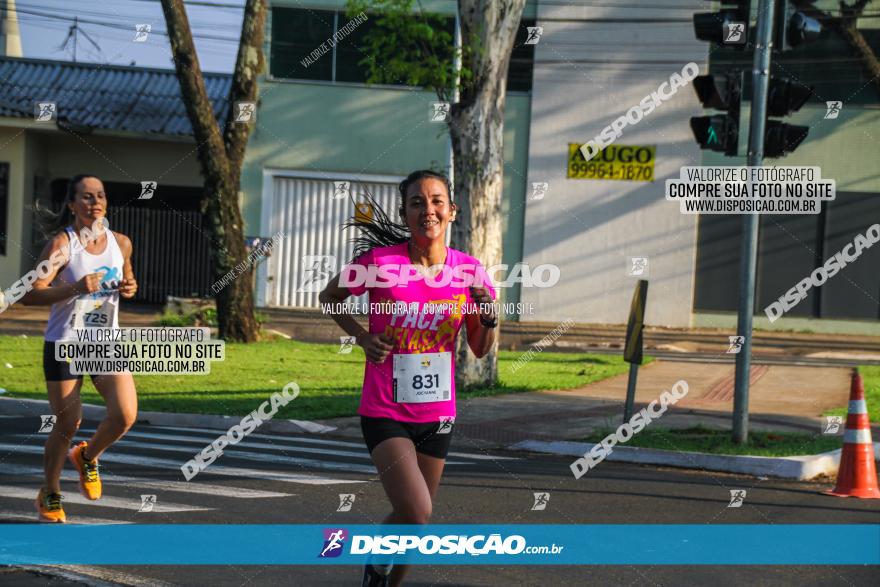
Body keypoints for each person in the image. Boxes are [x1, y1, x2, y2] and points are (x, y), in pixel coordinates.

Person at [319, 170, 498, 586]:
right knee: (417, 510)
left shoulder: (470, 272)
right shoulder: (381, 264)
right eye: (417, 202)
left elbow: (480, 348)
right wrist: (362, 337)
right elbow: (330, 297)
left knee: (413, 524)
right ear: (405, 213)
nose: (427, 209)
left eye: (437, 201)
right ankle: (377, 563)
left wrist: (487, 315)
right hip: (385, 409)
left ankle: (380, 576)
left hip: (437, 412)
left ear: (451, 211)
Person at [23, 174, 139, 522]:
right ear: (73, 205)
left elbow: (126, 279)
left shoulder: (121, 243)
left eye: (100, 195)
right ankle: (51, 491)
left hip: (104, 342)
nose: (95, 202)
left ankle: (87, 457)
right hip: (65, 343)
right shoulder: (62, 245)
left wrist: (129, 287)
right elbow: (31, 293)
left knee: (124, 414)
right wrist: (73, 288)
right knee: (67, 423)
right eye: (86, 197)